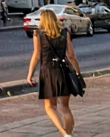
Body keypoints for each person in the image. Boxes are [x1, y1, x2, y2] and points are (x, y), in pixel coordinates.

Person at [27, 8, 81, 137]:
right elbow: (71, 56)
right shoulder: (65, 32)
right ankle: (69, 133)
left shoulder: (38, 33)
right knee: (65, 107)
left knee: (50, 106)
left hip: (47, 71)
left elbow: (36, 55)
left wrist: (30, 74)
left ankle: (64, 133)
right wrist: (77, 73)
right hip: (63, 70)